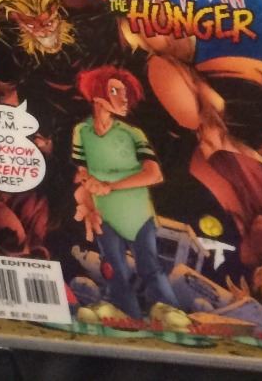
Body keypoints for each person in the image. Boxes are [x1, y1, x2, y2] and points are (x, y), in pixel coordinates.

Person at [73, 66, 190, 329]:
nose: (124, 98)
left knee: (149, 265)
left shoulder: (131, 134)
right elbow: (80, 171)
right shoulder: (82, 131)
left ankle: (166, 309)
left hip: (136, 211)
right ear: (98, 95)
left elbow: (154, 174)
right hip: (104, 212)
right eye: (115, 91)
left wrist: (110, 185)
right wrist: (88, 189)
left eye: (125, 93)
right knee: (113, 266)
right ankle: (123, 310)